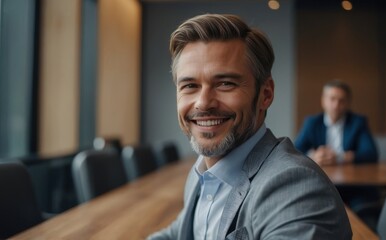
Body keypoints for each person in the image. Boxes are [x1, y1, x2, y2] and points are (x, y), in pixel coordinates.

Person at [148, 14, 351, 239]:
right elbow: (179, 232)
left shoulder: (296, 189)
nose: (203, 102)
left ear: (266, 94)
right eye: (190, 85)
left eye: (225, 84)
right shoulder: (201, 173)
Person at [294, 80, 379, 166]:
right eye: (332, 99)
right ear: (323, 101)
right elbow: (295, 150)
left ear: (348, 103)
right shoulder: (312, 122)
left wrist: (340, 157)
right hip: (318, 172)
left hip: (348, 173)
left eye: (341, 100)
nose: (336, 105)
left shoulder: (358, 122)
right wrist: (314, 155)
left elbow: (371, 154)